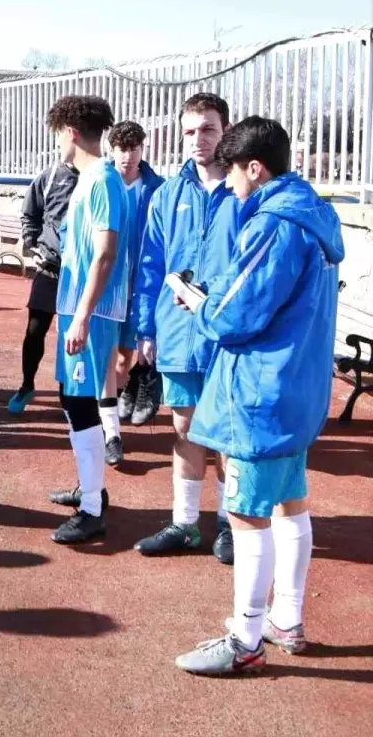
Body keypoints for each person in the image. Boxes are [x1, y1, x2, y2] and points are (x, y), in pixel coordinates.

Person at [174, 116, 343, 675]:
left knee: (247, 513)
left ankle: (245, 640)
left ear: (255, 167)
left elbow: (235, 315)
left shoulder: (274, 223)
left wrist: (197, 303)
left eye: (233, 173)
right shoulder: (313, 214)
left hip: (260, 391)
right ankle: (286, 618)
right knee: (291, 502)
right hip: (297, 388)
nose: (228, 184)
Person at [131, 94, 240, 562]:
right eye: (191, 131)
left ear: (226, 130)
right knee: (185, 427)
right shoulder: (167, 194)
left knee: (227, 433)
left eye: (208, 129)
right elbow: (150, 266)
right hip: (177, 332)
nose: (199, 139)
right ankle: (186, 523)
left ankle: (231, 524)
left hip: (228, 333)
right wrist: (145, 330)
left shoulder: (244, 191)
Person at [44, 95, 134, 544]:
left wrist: (81, 316)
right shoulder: (91, 179)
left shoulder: (102, 180)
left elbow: (105, 253)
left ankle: (93, 509)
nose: (57, 144)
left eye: (57, 135)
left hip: (92, 312)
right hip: (79, 309)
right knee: (71, 398)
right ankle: (90, 486)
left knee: (81, 403)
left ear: (71, 132)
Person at [99, 121, 164, 465]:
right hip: (104, 289)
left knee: (125, 358)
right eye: (122, 149)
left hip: (137, 290)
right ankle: (109, 428)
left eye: (134, 148)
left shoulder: (157, 188)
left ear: (142, 149)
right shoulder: (99, 182)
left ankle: (116, 402)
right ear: (111, 150)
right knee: (104, 358)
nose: (128, 156)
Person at [7, 160, 78, 414]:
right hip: (49, 269)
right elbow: (30, 213)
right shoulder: (50, 176)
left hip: (80, 275)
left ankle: (68, 392)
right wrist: (32, 244)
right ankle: (27, 385)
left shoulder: (98, 176)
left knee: (73, 336)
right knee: (35, 331)